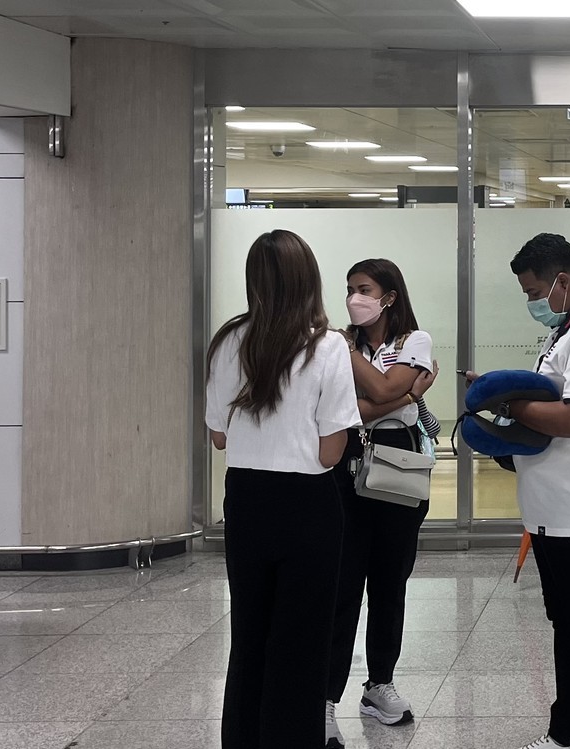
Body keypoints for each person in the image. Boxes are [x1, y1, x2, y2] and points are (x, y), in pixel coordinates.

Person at [471, 233, 570, 749]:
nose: (532, 302)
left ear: (562, 280)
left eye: (534, 291)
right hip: (552, 505)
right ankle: (567, 733)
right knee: (568, 624)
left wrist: (510, 404)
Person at [205, 229, 361, 749]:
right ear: (308, 279)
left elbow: (219, 436)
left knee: (249, 633)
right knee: (301, 640)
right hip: (308, 505)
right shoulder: (328, 345)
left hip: (246, 500)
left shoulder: (228, 340)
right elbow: (330, 452)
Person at [325, 259, 438, 748]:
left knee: (389, 586)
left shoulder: (415, 341)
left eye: (364, 289)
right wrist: (407, 390)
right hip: (346, 473)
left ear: (389, 295)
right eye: (350, 289)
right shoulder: (335, 345)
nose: (355, 298)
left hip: (396, 471)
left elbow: (376, 396)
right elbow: (358, 407)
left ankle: (379, 685)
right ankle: (325, 700)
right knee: (343, 590)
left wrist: (383, 384)